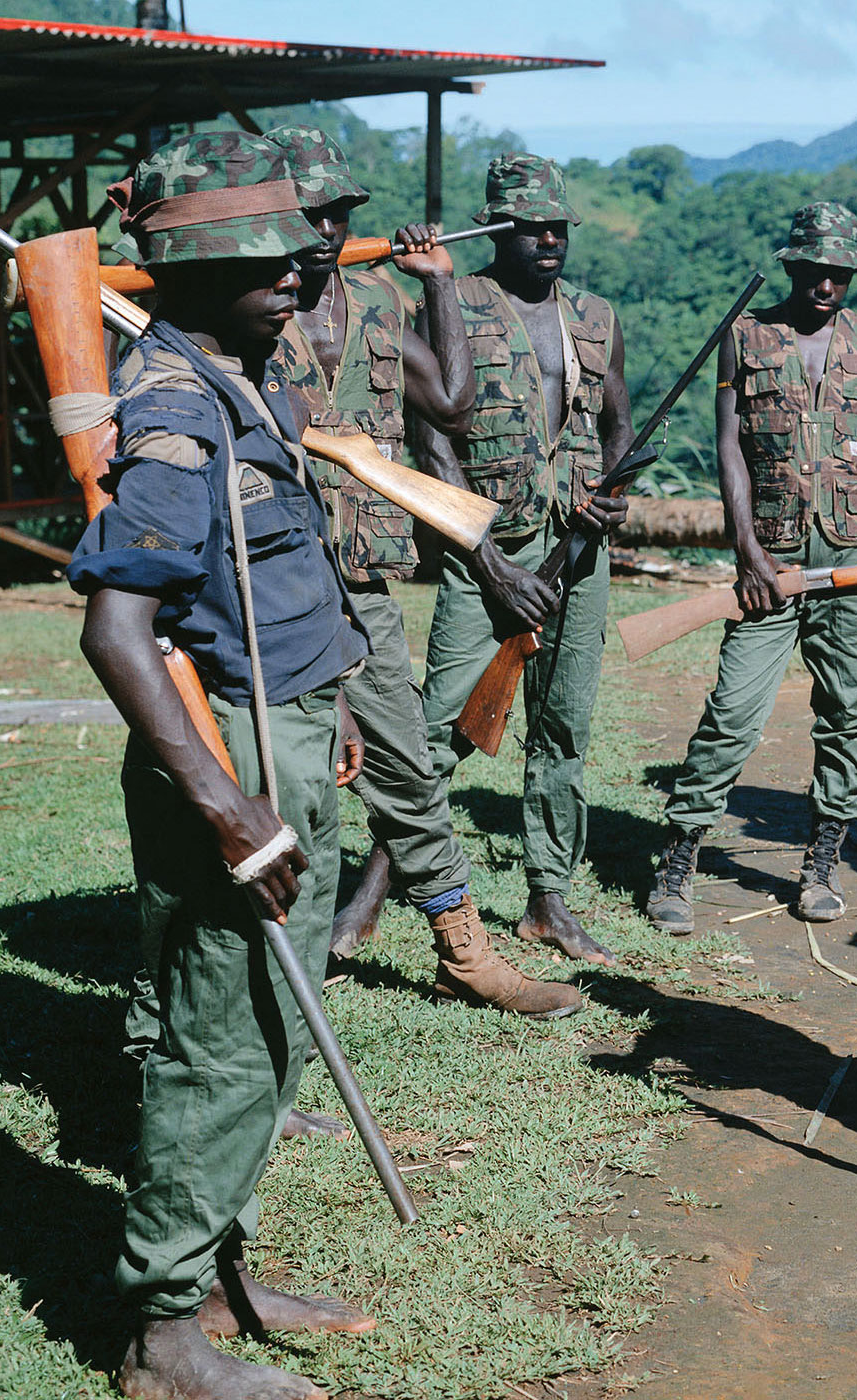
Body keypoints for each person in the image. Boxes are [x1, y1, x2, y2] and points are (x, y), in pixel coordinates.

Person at [71, 130, 376, 1400]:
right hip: (233, 761)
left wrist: (333, 699)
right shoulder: (179, 409)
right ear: (190, 273)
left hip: (288, 732)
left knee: (264, 1031)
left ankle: (222, 1270)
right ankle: (161, 1333)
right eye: (260, 262)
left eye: (294, 251)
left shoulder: (242, 371)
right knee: (221, 1039)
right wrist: (227, 801)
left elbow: (281, 575)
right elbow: (116, 626)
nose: (295, 275)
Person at [256, 126, 577, 1020]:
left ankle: (461, 950)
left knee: (408, 763)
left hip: (360, 583)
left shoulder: (377, 299)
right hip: (267, 585)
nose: (324, 228)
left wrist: (437, 286)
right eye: (307, 211)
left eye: (337, 211)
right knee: (287, 780)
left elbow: (451, 401)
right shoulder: (244, 307)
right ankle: (282, 954)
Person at [645, 201, 857, 932]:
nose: (826, 284)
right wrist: (746, 550)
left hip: (856, 552)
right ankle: (680, 860)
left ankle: (822, 861)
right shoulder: (746, 337)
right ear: (792, 265)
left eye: (839, 272)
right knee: (734, 712)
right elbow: (729, 447)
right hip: (771, 555)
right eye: (813, 270)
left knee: (846, 714)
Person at [412, 153, 635, 972]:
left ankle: (548, 899)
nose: (548, 239)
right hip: (488, 546)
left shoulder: (596, 316)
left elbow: (619, 428)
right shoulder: (454, 303)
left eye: (558, 227)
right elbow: (432, 435)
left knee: (564, 726)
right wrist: (484, 555)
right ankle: (381, 885)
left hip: (579, 548)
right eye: (530, 227)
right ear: (496, 229)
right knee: (436, 725)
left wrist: (611, 500)